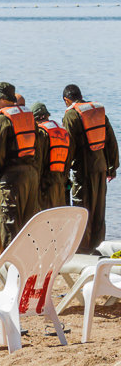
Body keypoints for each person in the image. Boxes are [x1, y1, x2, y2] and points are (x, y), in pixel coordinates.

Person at [62, 84, 119, 253]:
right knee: (98, 210)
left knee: (82, 210)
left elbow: (69, 146)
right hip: (101, 167)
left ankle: (82, 249)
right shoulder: (97, 111)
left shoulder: (71, 115)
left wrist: (63, 172)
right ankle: (98, 247)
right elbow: (111, 141)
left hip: (83, 171)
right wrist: (112, 166)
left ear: (67, 100)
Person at [0, 81, 41, 250]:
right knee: (28, 225)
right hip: (31, 174)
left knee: (10, 226)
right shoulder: (28, 114)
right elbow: (38, 145)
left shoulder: (2, 118)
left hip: (11, 178)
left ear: (3, 99)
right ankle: (28, 267)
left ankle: (11, 270)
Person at [32, 103, 72, 210]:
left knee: (46, 218)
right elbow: (68, 159)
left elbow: (39, 161)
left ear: (36, 118)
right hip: (61, 182)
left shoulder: (42, 132)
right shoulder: (63, 130)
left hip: (46, 184)